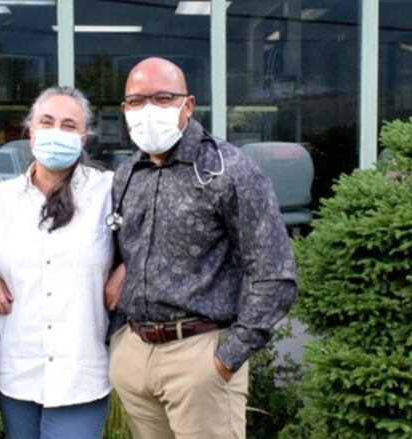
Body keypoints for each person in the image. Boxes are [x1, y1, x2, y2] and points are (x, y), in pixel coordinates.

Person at [105, 57, 298, 439]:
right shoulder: (128, 174)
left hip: (200, 355)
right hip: (136, 353)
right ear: (125, 110)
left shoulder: (229, 170)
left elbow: (275, 272)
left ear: (188, 105)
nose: (148, 110)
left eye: (162, 98)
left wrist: (227, 359)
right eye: (137, 101)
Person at [0, 86, 114, 439]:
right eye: (47, 122)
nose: (57, 132)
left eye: (70, 125)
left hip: (81, 373)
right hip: (16, 370)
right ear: (31, 131)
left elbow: (151, 238)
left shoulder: (109, 194)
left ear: (84, 138)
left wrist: (126, 270)